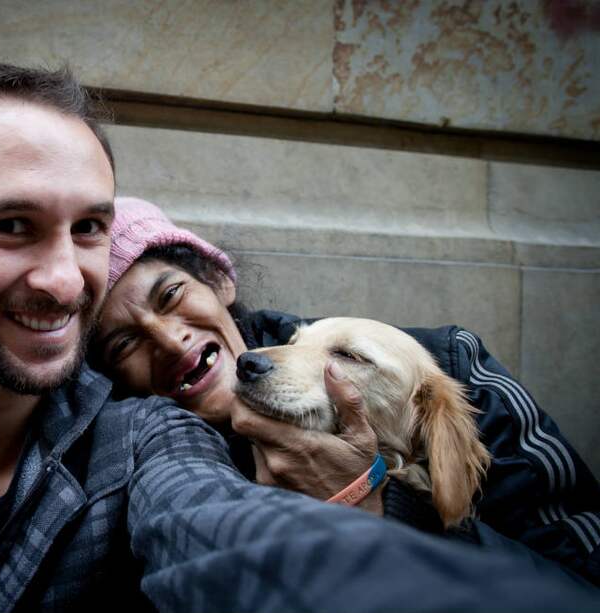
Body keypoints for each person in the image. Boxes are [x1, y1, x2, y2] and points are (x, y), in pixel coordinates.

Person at [0, 61, 598, 613]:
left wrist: (381, 518)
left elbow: (216, 535)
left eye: (87, 228)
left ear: (219, 280)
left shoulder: (450, 366)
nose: (57, 276)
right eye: (10, 226)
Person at [95, 195, 600, 585]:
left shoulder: (449, 365)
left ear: (219, 282)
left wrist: (382, 506)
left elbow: (581, 577)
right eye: (123, 343)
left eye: (171, 294)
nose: (167, 339)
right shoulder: (142, 460)